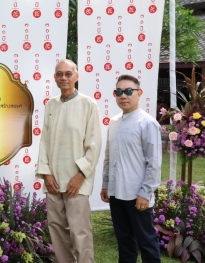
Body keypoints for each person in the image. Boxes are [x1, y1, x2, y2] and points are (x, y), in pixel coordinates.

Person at [36, 59, 102, 263]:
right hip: (53, 180)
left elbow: (94, 144)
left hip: (77, 181)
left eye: (68, 73)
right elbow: (44, 141)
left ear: (77, 76)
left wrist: (81, 175)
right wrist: (46, 173)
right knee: (56, 231)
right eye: (59, 74)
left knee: (79, 231)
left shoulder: (88, 104)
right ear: (55, 77)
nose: (63, 77)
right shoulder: (51, 104)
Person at [100, 75, 162, 263]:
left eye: (128, 91)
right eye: (119, 92)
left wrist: (145, 192)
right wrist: (105, 184)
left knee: (147, 243)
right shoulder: (113, 122)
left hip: (137, 195)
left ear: (139, 93)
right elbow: (109, 157)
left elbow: (155, 162)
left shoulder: (147, 123)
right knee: (125, 242)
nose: (123, 96)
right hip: (116, 193)